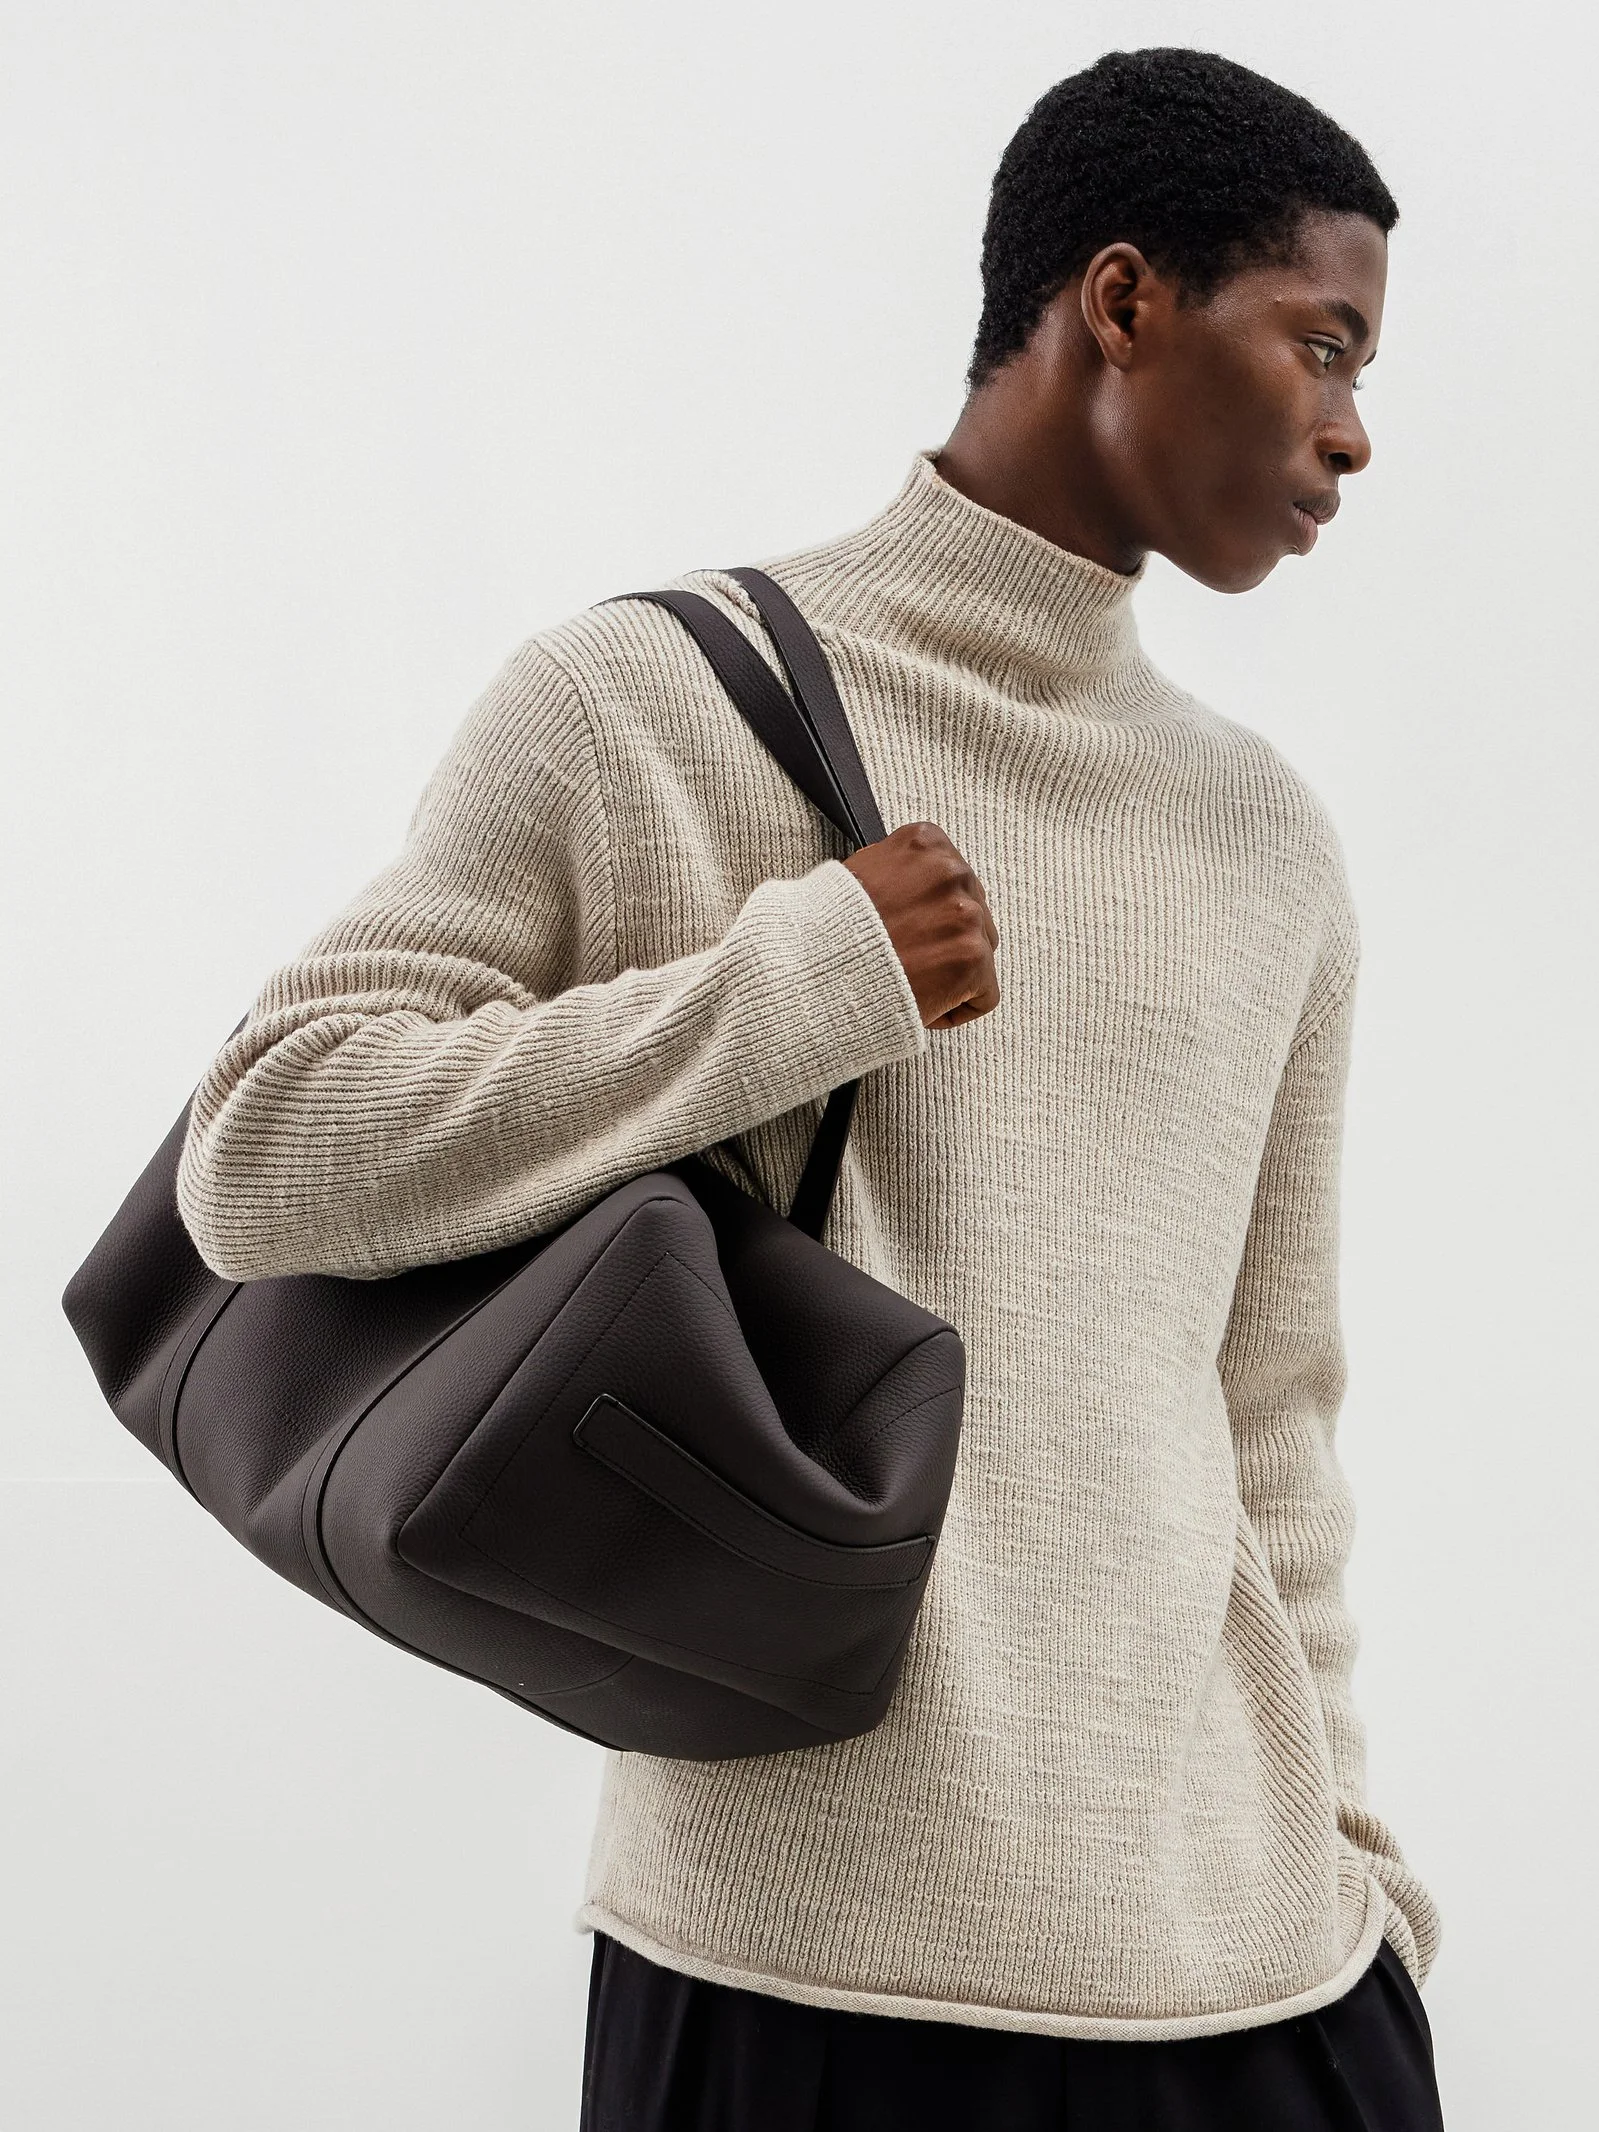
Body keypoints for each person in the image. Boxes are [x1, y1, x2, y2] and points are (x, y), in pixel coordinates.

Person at [176, 45, 1445, 2132]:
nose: (1352, 430)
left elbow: (1267, 1410)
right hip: (786, 1970)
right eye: (1320, 343)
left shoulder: (1262, 838)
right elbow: (266, 1150)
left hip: (1252, 1977)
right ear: (1123, 302)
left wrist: (1361, 1879)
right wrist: (788, 991)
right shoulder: (646, 704)